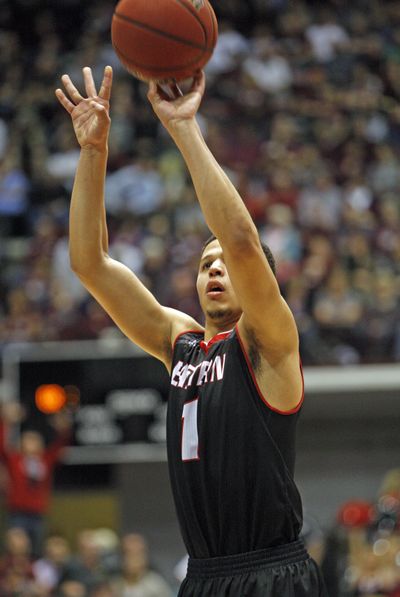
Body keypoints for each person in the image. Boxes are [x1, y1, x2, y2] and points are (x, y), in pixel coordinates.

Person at [55, 65, 328, 596]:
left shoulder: (267, 341)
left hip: (274, 573)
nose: (217, 269)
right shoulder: (178, 343)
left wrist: (183, 127)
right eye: (206, 263)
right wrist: (93, 153)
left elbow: (244, 242)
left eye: (225, 262)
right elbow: (90, 263)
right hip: (203, 579)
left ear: (260, 281)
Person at [0, 401, 72, 558]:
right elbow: (2, 447)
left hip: (37, 513)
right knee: (15, 549)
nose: (32, 443)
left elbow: (60, 445)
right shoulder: (15, 460)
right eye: (28, 439)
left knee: (36, 551)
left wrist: (63, 429)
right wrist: (6, 422)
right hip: (17, 512)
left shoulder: (45, 460)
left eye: (35, 440)